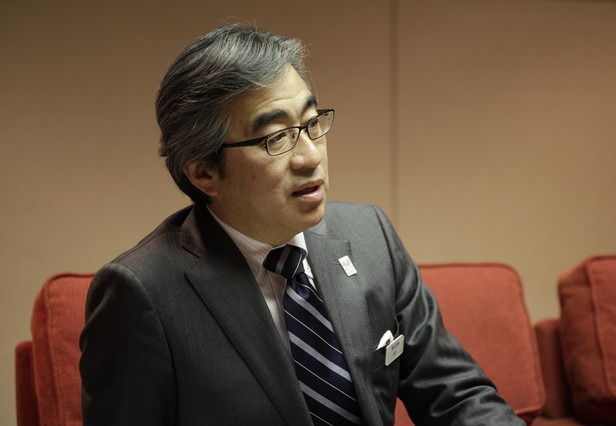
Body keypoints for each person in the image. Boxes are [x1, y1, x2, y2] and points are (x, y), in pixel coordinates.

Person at [79, 23, 524, 426]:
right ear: (204, 173)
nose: (311, 157)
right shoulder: (143, 293)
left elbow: (455, 394)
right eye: (276, 138)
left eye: (312, 124)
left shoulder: (370, 235)